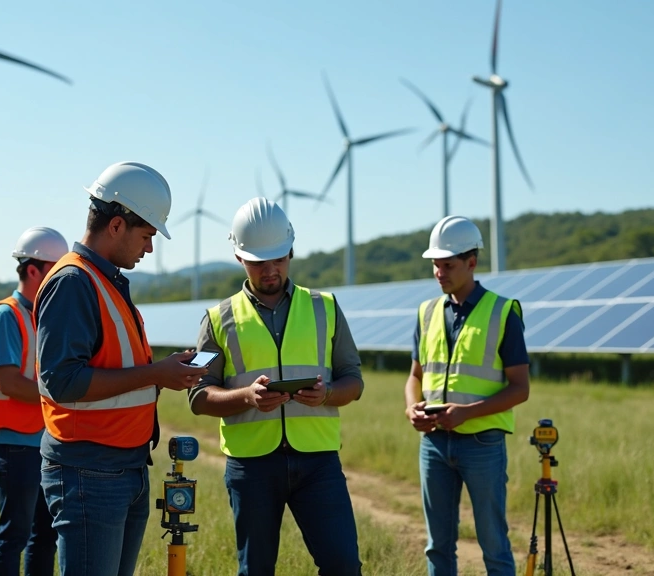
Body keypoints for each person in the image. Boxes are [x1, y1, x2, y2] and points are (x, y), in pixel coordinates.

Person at [34, 161, 207, 576]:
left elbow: (117, 370)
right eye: (147, 236)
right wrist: (155, 374)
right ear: (116, 225)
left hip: (122, 467)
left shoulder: (104, 281)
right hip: (89, 472)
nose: (149, 249)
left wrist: (164, 373)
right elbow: (61, 381)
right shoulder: (73, 282)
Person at [190, 197, 365, 576]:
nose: (270, 270)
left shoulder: (325, 307)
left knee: (344, 566)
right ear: (239, 257)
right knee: (255, 570)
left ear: (291, 251)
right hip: (251, 466)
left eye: (278, 259)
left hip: (318, 462)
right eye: (258, 262)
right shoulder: (217, 319)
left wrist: (328, 394)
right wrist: (246, 396)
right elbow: (199, 396)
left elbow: (353, 381)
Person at [404, 215, 531, 576]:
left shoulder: (503, 312)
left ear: (471, 262)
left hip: (482, 444)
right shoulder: (426, 312)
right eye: (435, 265)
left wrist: (467, 412)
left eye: (448, 265)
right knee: (437, 546)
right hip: (433, 444)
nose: (439, 273)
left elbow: (520, 388)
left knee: (493, 543)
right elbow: (415, 376)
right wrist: (411, 408)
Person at [0, 226, 69, 575]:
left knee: (44, 536)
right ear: (33, 270)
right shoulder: (7, 315)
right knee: (14, 534)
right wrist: (62, 394)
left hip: (43, 442)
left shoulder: (44, 315)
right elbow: (10, 382)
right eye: (55, 270)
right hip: (14, 444)